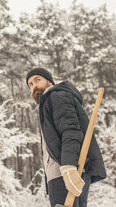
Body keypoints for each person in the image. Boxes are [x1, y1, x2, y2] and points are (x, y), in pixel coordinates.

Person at [26, 67, 106, 207]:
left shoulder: (55, 96)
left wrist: (69, 166)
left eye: (37, 80)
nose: (34, 86)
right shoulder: (50, 102)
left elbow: (70, 130)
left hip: (64, 172)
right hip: (64, 171)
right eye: (31, 84)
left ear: (50, 82)